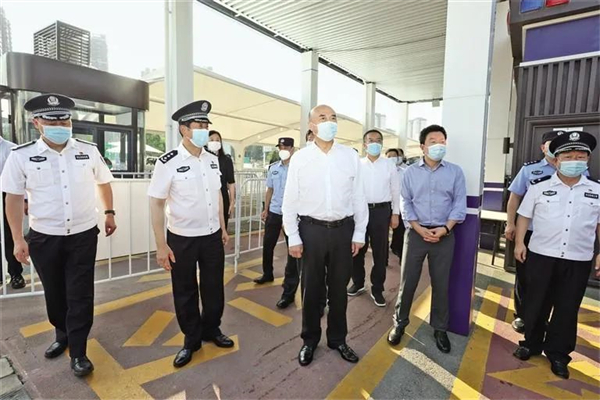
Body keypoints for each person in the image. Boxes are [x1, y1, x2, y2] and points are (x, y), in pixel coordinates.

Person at [1, 93, 116, 377]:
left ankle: (78, 351)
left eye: (65, 121)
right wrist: (17, 239)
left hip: (82, 235)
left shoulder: (88, 151)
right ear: (37, 123)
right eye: (52, 121)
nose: (60, 126)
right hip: (44, 237)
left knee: (80, 294)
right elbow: (13, 198)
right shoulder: (21, 155)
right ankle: (62, 334)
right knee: (54, 294)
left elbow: (103, 182)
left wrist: (109, 212)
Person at [148, 100, 234, 369]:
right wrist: (161, 245)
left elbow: (218, 196)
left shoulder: (212, 160)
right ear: (184, 129)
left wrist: (223, 227)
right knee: (185, 290)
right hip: (181, 238)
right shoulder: (168, 162)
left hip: (211, 236)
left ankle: (212, 329)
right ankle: (191, 339)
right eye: (199, 125)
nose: (204, 130)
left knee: (214, 287)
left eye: (206, 125)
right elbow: (156, 203)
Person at [282, 104, 368, 367]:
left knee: (339, 290)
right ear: (312, 125)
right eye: (322, 118)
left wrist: (359, 232)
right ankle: (309, 340)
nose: (329, 122)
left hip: (343, 230)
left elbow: (358, 196)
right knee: (311, 289)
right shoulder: (300, 158)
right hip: (311, 231)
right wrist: (293, 236)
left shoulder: (349, 156)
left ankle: (338, 339)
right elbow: (290, 199)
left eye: (333, 118)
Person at [513, 130, 599, 380]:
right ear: (557, 159)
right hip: (542, 255)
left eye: (580, 156)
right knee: (536, 302)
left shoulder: (596, 189)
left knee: (567, 307)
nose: (574, 161)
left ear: (587, 159)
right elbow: (524, 216)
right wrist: (519, 243)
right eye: (568, 156)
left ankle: (559, 354)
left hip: (578, 258)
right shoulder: (539, 187)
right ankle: (531, 344)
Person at [387, 124, 466, 354]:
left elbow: (459, 204)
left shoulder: (455, 172)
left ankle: (440, 329)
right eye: (433, 142)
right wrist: (418, 228)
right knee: (408, 282)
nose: (438, 145)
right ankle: (399, 324)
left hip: (444, 235)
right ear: (423, 146)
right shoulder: (410, 172)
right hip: (416, 234)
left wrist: (446, 228)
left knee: (441, 284)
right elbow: (405, 202)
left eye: (442, 142)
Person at [504, 130, 579, 333]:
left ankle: (545, 318)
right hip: (530, 232)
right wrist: (510, 223)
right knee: (525, 276)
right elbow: (514, 198)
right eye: (550, 143)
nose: (554, 147)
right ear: (542, 147)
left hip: (561, 236)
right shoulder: (530, 170)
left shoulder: (577, 170)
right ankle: (522, 315)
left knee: (554, 279)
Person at [348, 130, 400, 307]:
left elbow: (395, 190)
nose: (374, 143)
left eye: (378, 140)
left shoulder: (389, 165)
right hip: (359, 211)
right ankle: (358, 283)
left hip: (381, 212)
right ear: (364, 144)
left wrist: (395, 214)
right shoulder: (357, 164)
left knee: (380, 252)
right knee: (357, 249)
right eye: (371, 140)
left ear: (382, 144)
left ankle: (377, 289)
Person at [0, 136, 25, 289]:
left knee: (9, 237)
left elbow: (19, 177)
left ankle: (16, 274)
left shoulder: (11, 149)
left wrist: (25, 200)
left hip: (6, 197)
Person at [207, 130, 236, 230]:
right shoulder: (203, 159)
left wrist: (232, 201)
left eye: (217, 140)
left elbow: (231, 182)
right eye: (211, 140)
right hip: (206, 198)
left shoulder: (226, 160)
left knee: (222, 228)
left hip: (223, 198)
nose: (214, 142)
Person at [386, 148, 408, 261]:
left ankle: (400, 254)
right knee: (383, 235)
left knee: (399, 231)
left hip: (399, 206)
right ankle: (384, 258)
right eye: (389, 156)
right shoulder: (382, 171)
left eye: (394, 156)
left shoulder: (404, 172)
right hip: (385, 206)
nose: (392, 159)